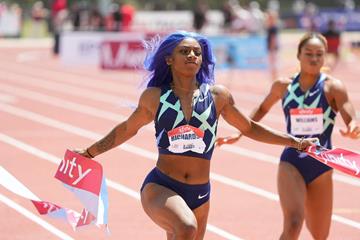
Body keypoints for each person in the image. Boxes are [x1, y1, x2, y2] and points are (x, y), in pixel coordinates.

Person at [74, 31, 317, 240]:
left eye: (197, 52)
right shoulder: (155, 97)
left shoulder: (217, 96)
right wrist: (90, 152)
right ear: (169, 59)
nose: (192, 55)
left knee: (185, 232)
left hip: (201, 192)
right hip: (161, 186)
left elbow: (250, 128)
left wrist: (296, 142)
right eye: (185, 51)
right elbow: (127, 129)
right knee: (186, 226)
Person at [216, 32, 360, 239]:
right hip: (292, 162)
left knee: (321, 234)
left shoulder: (333, 87)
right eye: (308, 53)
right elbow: (262, 108)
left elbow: (350, 116)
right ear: (298, 55)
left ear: (325, 57)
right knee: (293, 224)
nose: (314, 58)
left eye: (319, 54)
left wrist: (353, 128)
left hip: (322, 165)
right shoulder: (283, 86)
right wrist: (240, 133)